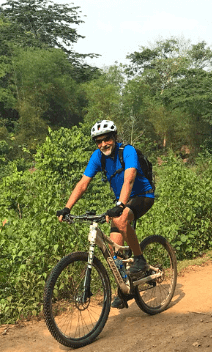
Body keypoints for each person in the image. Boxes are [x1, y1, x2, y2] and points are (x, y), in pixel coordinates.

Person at [56, 120, 156, 309]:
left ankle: (140, 260)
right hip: (122, 202)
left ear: (115, 137)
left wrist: (120, 204)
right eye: (98, 141)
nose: (103, 144)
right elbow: (83, 184)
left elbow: (130, 178)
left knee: (121, 218)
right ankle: (127, 291)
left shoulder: (127, 151)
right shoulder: (97, 157)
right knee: (113, 250)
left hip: (142, 195)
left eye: (107, 139)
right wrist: (67, 208)